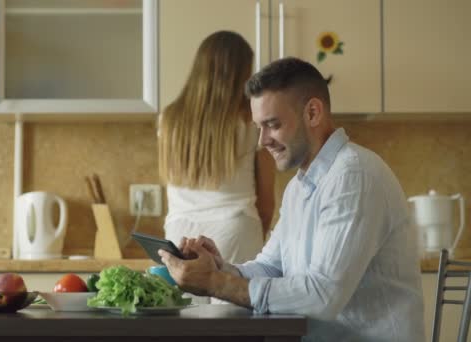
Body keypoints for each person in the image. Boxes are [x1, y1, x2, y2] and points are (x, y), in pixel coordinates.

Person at [159, 57, 425, 341]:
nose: (263, 140)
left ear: (312, 113)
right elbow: (271, 267)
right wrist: (219, 267)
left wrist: (215, 283)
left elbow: (322, 295)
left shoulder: (353, 176)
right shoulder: (300, 188)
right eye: (259, 127)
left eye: (272, 124)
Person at [158, 30, 276, 275]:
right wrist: (256, 240)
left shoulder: (169, 120)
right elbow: (266, 202)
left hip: (179, 234)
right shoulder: (251, 121)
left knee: (185, 312)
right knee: (233, 313)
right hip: (235, 228)